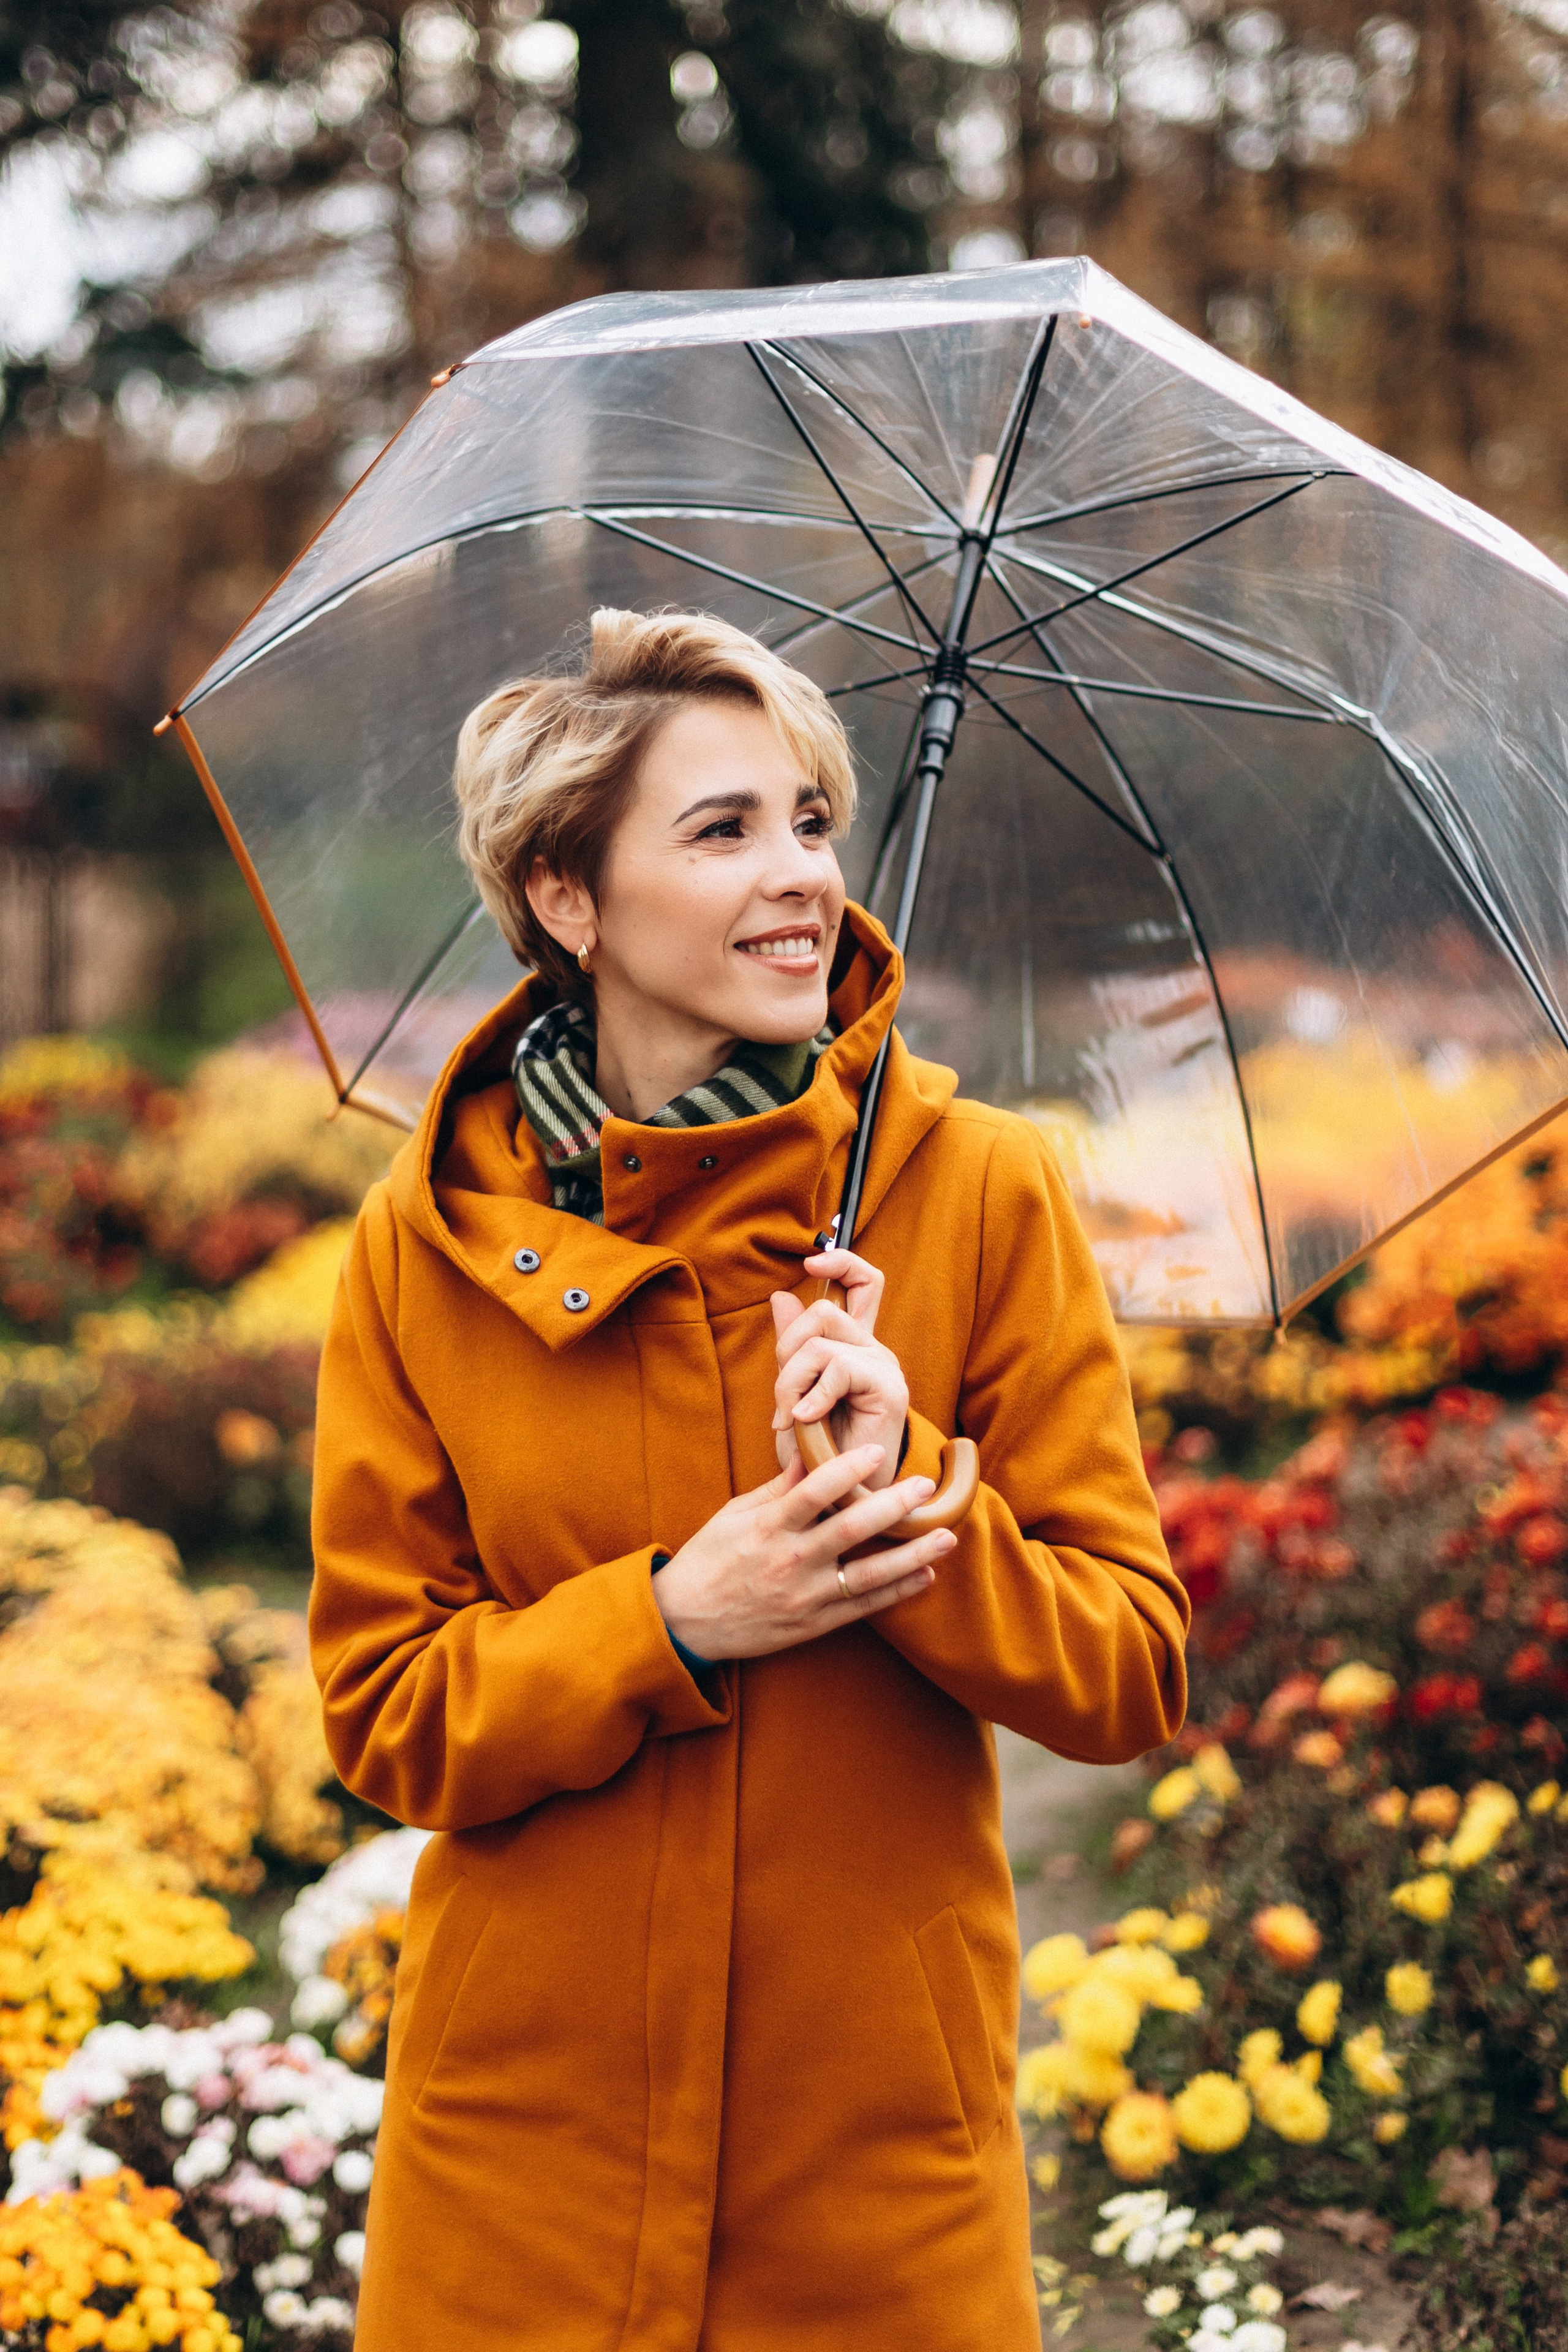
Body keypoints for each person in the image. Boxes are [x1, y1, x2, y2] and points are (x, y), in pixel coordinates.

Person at [309, 606, 1188, 2352]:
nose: (799, 876)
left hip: (875, 2172)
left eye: (808, 817)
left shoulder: (980, 1194)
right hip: (519, 2165)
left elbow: (1129, 1671)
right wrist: (672, 1623)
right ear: (565, 892)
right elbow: (383, 1713)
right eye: (721, 831)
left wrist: (913, 1494)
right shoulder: (424, 1250)